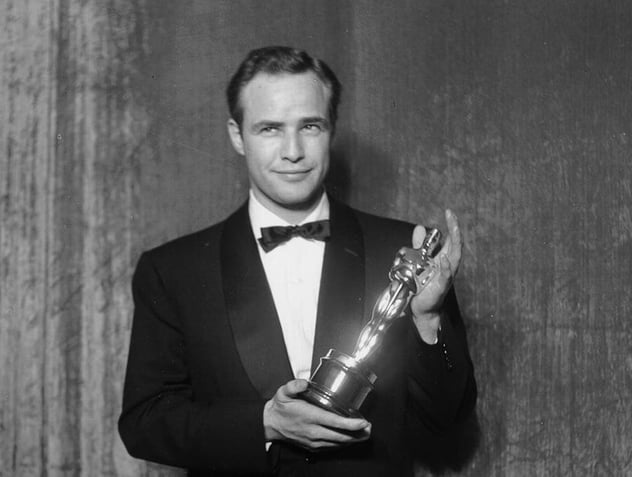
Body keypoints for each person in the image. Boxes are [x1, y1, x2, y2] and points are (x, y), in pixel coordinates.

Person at [119, 46, 477, 477]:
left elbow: (448, 417)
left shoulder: (405, 249)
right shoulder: (172, 270)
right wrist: (264, 423)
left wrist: (427, 319)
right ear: (237, 135)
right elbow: (144, 424)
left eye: (309, 126)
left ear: (331, 129)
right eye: (270, 128)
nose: (293, 151)